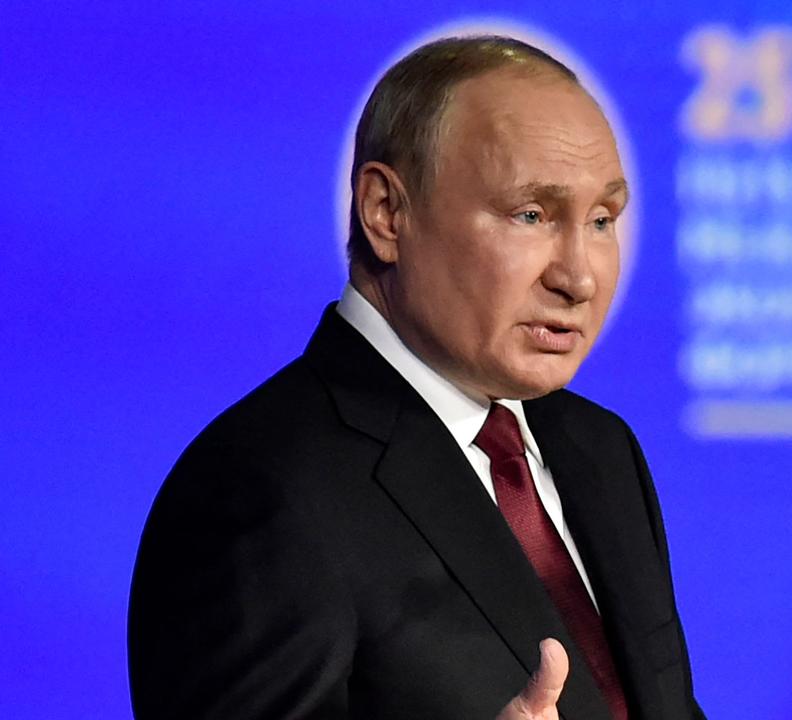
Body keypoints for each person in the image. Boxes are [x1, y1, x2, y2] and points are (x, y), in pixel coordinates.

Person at [128, 35, 705, 720]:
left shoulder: (600, 450)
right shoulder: (257, 488)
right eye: (531, 215)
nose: (578, 276)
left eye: (603, 219)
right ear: (386, 213)